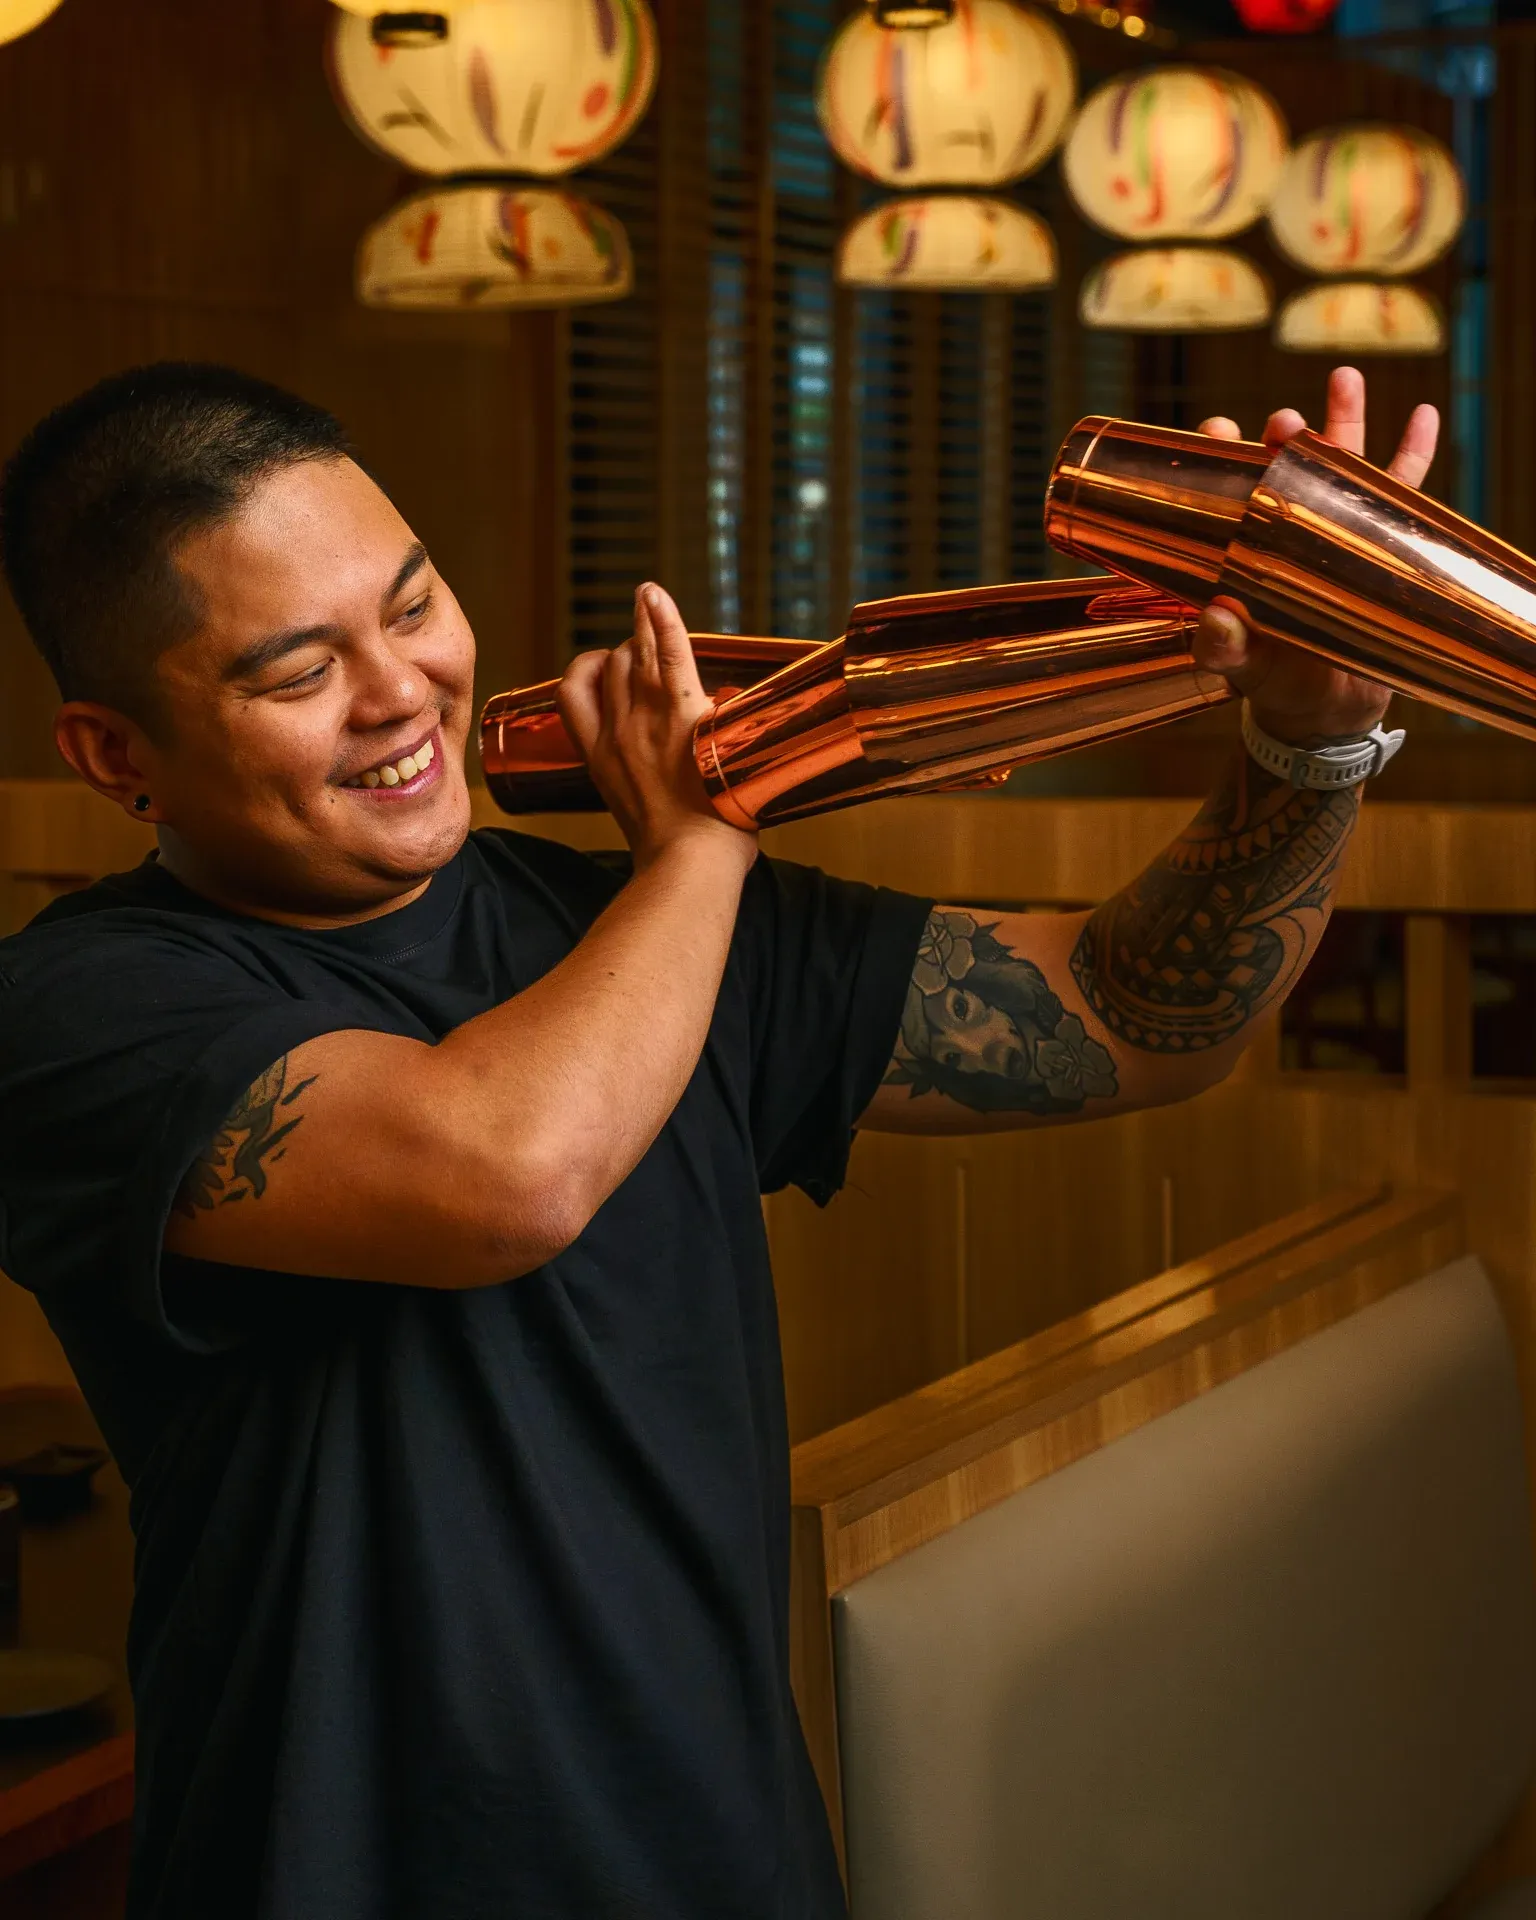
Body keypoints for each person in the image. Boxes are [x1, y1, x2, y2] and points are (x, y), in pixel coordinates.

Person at [0, 360, 1436, 1920]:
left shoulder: (631, 923)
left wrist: (1314, 739)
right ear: (113, 756)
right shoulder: (78, 1009)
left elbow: (1133, 1021)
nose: (403, 691)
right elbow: (504, 1174)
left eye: (412, 607)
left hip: (720, 1864)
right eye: (295, 672)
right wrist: (701, 842)